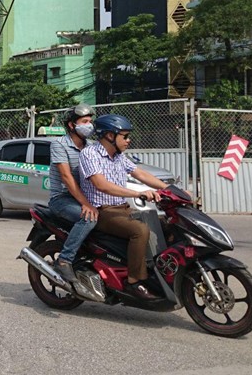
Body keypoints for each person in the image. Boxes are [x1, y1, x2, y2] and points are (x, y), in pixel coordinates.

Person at [78, 114, 169, 301]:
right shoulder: (90, 154)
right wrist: (138, 194)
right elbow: (101, 184)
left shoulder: (119, 156)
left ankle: (156, 272)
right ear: (110, 136)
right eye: (125, 136)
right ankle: (134, 282)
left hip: (122, 208)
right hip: (102, 211)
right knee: (140, 231)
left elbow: (140, 173)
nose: (129, 140)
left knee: (163, 225)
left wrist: (170, 189)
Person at [49, 104, 97, 283]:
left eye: (90, 121)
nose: (89, 125)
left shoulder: (91, 146)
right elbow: (66, 177)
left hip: (83, 198)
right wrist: (86, 203)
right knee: (89, 217)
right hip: (61, 199)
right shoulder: (59, 144)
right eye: (84, 121)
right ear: (71, 125)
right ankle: (64, 260)